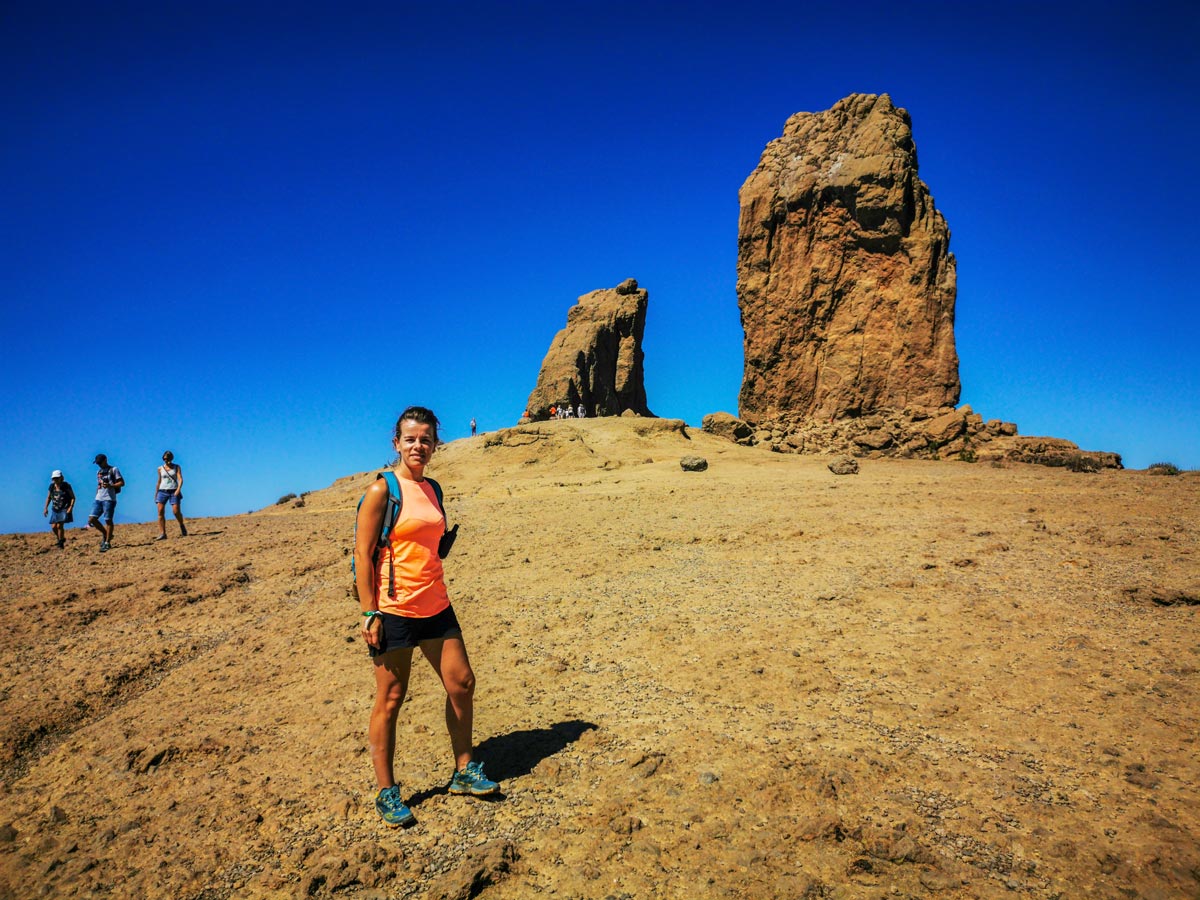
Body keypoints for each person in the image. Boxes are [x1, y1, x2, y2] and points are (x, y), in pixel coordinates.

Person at [354, 405, 499, 828]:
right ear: (396, 443)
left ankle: (463, 770)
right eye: (411, 439)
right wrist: (369, 613)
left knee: (462, 682)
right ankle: (387, 791)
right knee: (392, 698)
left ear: (435, 444)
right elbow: (363, 553)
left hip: (435, 604)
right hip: (393, 610)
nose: (419, 445)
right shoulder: (383, 489)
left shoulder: (433, 488)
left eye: (426, 439)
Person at [88, 454, 124, 552]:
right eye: (97, 463)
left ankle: (107, 542)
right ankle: (106, 534)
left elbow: (122, 483)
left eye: (100, 462)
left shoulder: (114, 469)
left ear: (105, 460)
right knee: (92, 519)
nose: (99, 465)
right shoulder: (98, 472)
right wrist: (96, 495)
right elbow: (98, 485)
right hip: (99, 498)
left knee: (108, 520)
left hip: (109, 498)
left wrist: (110, 485)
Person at [154, 451, 187, 540]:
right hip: (162, 490)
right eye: (164, 459)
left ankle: (181, 524)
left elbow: (180, 478)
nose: (166, 460)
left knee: (176, 511)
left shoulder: (176, 467)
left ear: (171, 458)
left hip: (174, 490)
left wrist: (178, 489)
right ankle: (163, 533)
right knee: (160, 511)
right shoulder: (160, 468)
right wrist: (156, 493)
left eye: (168, 458)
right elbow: (159, 481)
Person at [43, 470, 75, 548]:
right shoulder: (51, 487)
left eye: (57, 478)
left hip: (64, 508)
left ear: (61, 478)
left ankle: (61, 544)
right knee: (54, 527)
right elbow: (48, 497)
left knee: (59, 526)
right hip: (55, 509)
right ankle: (60, 538)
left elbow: (73, 497)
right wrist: (45, 508)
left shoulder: (66, 486)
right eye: (54, 478)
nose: (55, 480)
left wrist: (71, 507)